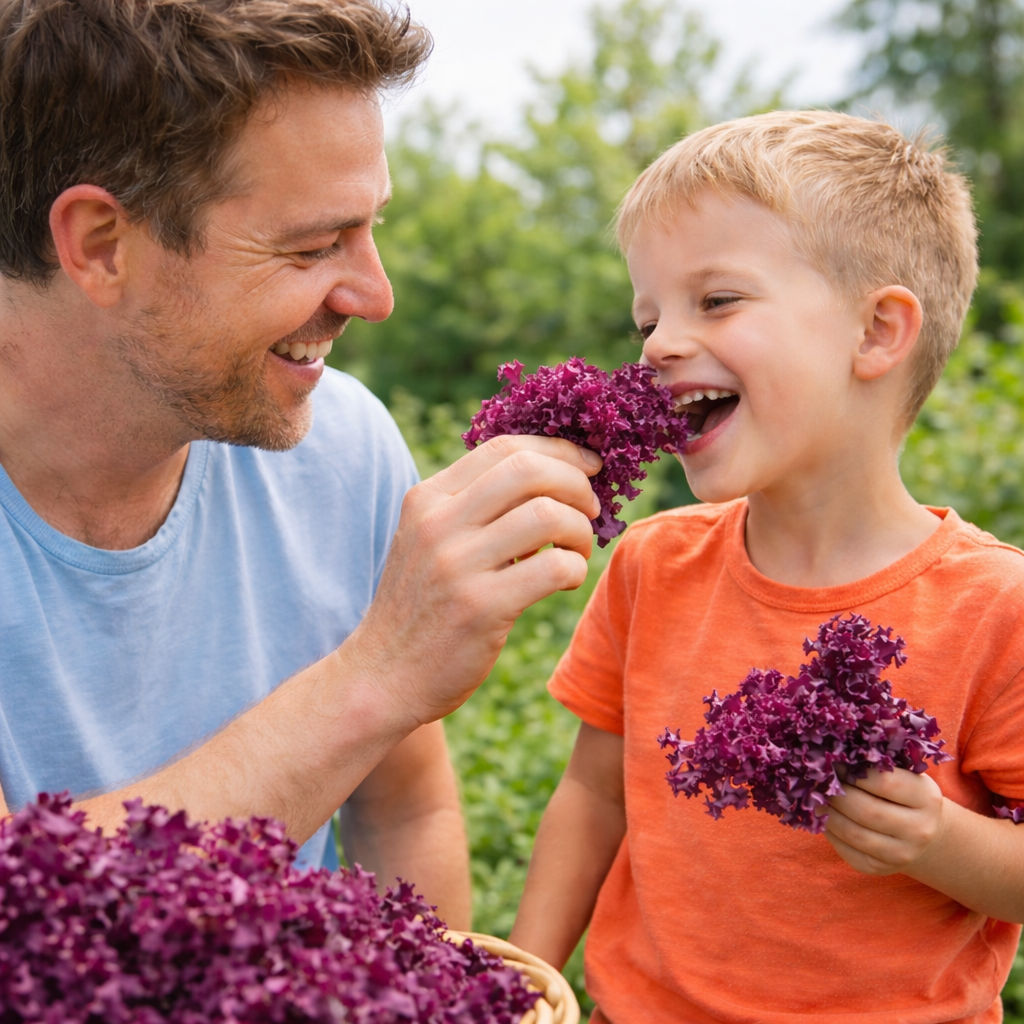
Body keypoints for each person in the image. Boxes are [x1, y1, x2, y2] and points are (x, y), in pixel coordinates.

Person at [0, 0, 605, 930]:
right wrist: (376, 677)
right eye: (314, 245)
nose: (376, 295)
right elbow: (23, 923)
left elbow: (404, 809)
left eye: (369, 231)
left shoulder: (343, 446)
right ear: (100, 245)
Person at [510, 111, 1024, 1022]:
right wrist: (522, 977)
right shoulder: (651, 564)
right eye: (648, 316)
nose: (659, 343)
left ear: (876, 333)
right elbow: (593, 797)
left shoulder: (995, 607)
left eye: (716, 301)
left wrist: (937, 838)